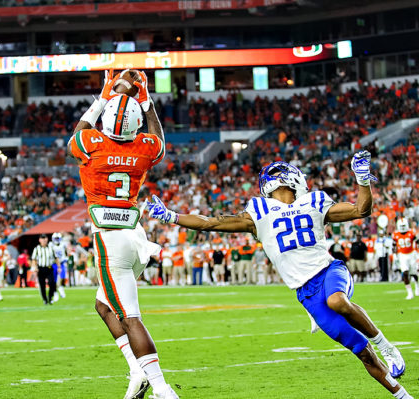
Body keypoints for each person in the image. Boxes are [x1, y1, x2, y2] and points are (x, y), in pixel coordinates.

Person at [146, 151, 412, 398]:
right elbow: (212, 222)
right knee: (361, 351)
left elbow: (360, 210)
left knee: (337, 301)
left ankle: (387, 346)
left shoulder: (314, 202)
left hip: (330, 271)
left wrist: (362, 179)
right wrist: (171, 216)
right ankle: (403, 395)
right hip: (306, 294)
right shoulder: (259, 212)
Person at [67, 70, 177, 399]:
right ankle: (136, 371)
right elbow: (159, 141)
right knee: (103, 306)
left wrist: (103, 97)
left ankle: (161, 388)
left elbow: (80, 131)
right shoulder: (144, 147)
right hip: (135, 235)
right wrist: (145, 100)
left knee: (129, 316)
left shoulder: (92, 143)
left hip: (110, 240)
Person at [392, 218, 419, 299]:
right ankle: (410, 293)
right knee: (405, 273)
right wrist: (394, 255)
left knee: (414, 273)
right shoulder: (396, 234)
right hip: (402, 255)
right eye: (401, 226)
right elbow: (394, 245)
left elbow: (417, 242)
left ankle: (417, 286)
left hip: (411, 254)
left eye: (404, 226)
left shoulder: (411, 232)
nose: (403, 227)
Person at [31, 234, 56, 305]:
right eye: (42, 238)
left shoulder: (51, 248)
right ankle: (45, 299)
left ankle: (50, 297)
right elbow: (34, 259)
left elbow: (56, 257)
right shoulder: (37, 249)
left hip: (49, 267)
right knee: (42, 285)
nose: (44, 240)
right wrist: (35, 267)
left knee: (52, 283)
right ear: (39, 240)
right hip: (41, 268)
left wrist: (59, 267)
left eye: (45, 238)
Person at [51, 232, 68, 301]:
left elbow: (66, 252)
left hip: (62, 263)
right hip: (54, 263)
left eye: (58, 238)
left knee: (62, 277)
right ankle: (55, 293)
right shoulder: (51, 245)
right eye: (56, 238)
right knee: (54, 280)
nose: (57, 239)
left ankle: (60, 288)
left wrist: (66, 258)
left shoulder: (63, 245)